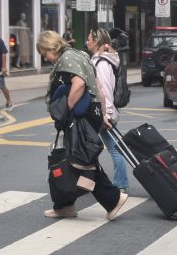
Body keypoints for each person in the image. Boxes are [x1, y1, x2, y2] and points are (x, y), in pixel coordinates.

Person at [37, 30, 128, 220]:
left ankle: (111, 199)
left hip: (81, 116)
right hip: (91, 112)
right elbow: (98, 86)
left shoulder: (67, 59)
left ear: (51, 47)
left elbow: (79, 84)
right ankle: (66, 205)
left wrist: (65, 112)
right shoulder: (79, 55)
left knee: (80, 161)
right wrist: (103, 112)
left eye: (44, 53)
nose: (45, 58)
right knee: (79, 159)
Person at [87, 28, 129, 194]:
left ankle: (117, 184)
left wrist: (107, 114)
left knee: (88, 147)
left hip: (103, 114)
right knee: (108, 147)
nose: (86, 42)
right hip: (102, 113)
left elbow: (104, 90)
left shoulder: (102, 63)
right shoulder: (100, 60)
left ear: (96, 42)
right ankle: (118, 184)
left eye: (89, 39)